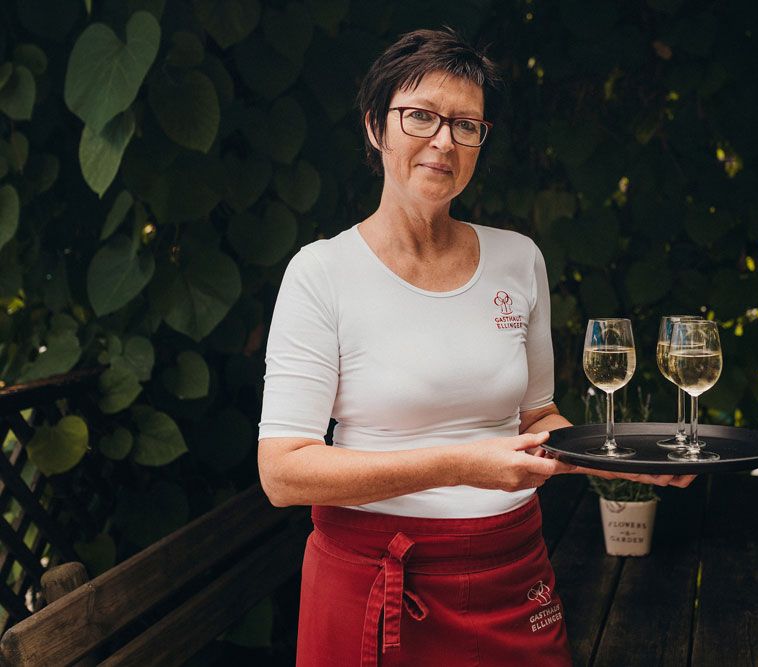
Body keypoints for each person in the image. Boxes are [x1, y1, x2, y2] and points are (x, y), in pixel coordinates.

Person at [257, 28, 695, 667]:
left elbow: (536, 421)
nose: (444, 140)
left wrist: (622, 462)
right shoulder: (320, 273)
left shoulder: (519, 259)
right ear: (376, 128)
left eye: (467, 125)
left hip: (512, 574)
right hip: (373, 581)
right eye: (422, 116)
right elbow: (284, 471)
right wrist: (462, 464)